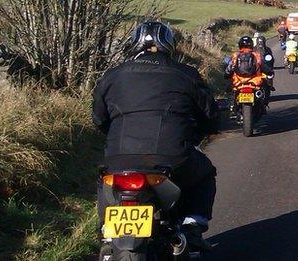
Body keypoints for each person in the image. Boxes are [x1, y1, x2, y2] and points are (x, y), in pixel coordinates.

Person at [92, 21, 219, 251]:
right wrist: (202, 131)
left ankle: (105, 230)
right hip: (172, 158)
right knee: (205, 173)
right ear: (168, 45)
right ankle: (192, 224)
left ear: (133, 45)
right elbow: (210, 116)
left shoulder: (112, 76)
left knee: (104, 180)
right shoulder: (185, 74)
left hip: (119, 159)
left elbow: (99, 119)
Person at [225, 36, 274, 115]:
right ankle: (264, 106)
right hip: (255, 82)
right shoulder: (256, 55)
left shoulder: (235, 55)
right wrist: (270, 72)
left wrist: (226, 75)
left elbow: (229, 68)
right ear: (251, 45)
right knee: (267, 87)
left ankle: (231, 106)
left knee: (229, 90)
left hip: (238, 83)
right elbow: (264, 67)